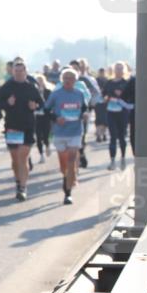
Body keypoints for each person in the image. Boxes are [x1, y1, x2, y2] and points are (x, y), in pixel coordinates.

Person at [0, 61, 44, 200]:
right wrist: (7, 103)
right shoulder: (7, 87)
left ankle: (23, 188)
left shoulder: (31, 87)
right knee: (15, 159)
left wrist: (34, 105)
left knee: (22, 158)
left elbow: (42, 104)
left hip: (27, 126)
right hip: (12, 127)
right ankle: (18, 182)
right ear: (12, 72)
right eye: (16, 71)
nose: (18, 73)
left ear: (25, 72)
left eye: (21, 71)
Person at [44, 68, 90, 204]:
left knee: (71, 159)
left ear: (76, 80)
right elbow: (46, 110)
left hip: (75, 131)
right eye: (66, 78)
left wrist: (84, 115)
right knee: (64, 165)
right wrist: (56, 118)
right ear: (62, 80)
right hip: (60, 132)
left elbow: (84, 108)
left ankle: (67, 193)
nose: (68, 81)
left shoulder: (79, 93)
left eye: (71, 78)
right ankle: (69, 176)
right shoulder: (56, 94)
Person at [103, 61, 131, 170]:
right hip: (111, 111)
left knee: (122, 137)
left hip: (122, 112)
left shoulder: (126, 83)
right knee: (112, 136)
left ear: (124, 70)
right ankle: (112, 161)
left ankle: (123, 158)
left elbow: (130, 97)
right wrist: (107, 98)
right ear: (114, 70)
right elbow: (104, 94)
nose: (119, 70)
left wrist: (122, 96)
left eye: (121, 68)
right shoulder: (109, 82)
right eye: (117, 68)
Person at [34, 74, 53, 164]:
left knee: (45, 135)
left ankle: (47, 145)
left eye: (41, 81)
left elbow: (50, 103)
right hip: (36, 116)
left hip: (46, 116)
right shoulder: (33, 92)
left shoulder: (48, 92)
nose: (39, 83)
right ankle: (41, 155)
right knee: (38, 137)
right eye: (38, 81)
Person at [94, 67, 109, 143]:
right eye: (100, 72)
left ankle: (104, 134)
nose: (102, 73)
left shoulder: (107, 80)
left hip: (105, 102)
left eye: (103, 72)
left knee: (105, 119)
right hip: (97, 102)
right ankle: (98, 134)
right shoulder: (96, 80)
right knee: (98, 118)